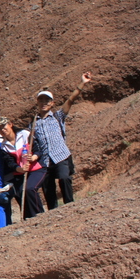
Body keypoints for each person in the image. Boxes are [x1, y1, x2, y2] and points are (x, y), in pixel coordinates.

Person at [32, 72, 92, 209]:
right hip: (46, 160)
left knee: (64, 178)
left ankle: (69, 206)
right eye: (41, 100)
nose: (44, 103)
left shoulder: (58, 116)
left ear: (52, 103)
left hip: (60, 156)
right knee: (48, 187)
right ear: (37, 102)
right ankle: (53, 211)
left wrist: (82, 83)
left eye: (47, 101)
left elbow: (70, 100)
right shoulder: (34, 123)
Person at [0, 117, 45, 219]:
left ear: (10, 124)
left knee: (30, 189)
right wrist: (20, 169)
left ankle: (41, 215)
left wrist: (34, 157)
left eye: (4, 126)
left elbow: (38, 149)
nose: (2, 130)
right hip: (21, 172)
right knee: (21, 192)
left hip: (36, 168)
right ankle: (30, 218)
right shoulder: (4, 146)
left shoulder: (25, 134)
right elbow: (11, 163)